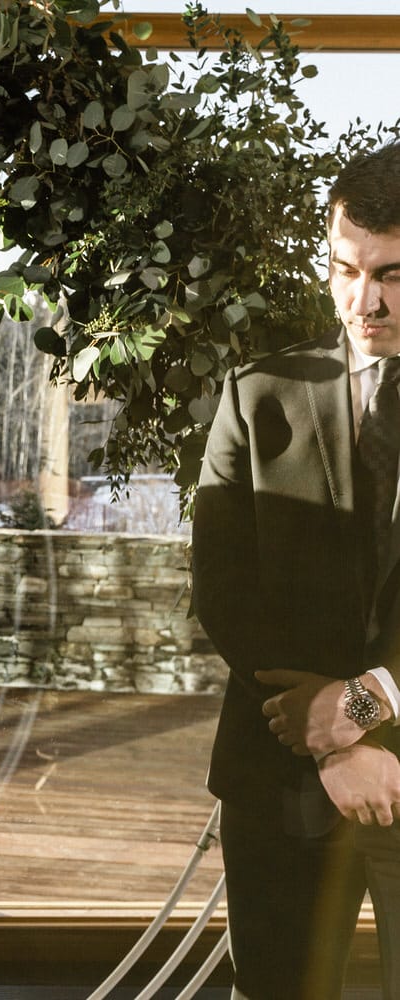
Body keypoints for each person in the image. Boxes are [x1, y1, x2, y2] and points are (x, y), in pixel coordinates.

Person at [194, 141, 400, 1000]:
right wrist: (324, 740)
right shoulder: (258, 394)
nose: (366, 301)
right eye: (345, 270)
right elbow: (224, 594)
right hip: (282, 775)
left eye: (393, 274)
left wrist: (365, 709)